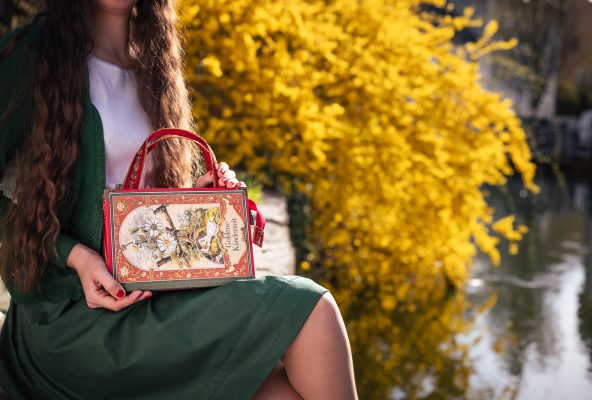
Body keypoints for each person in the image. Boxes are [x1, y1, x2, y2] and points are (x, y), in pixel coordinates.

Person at [0, 1, 358, 399]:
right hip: (71, 316)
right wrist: (74, 255)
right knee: (313, 310)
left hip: (154, 293)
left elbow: (138, 208)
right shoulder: (35, 54)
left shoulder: (152, 58)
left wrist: (195, 202)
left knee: (281, 391)